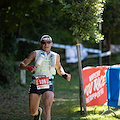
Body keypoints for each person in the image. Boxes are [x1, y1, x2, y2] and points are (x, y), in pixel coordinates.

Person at [19, 35, 71, 120]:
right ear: (40, 44)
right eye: (43, 42)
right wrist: (28, 67)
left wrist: (64, 74)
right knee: (32, 111)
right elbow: (22, 65)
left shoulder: (56, 56)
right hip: (35, 84)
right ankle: (38, 112)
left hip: (48, 84)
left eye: (48, 42)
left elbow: (58, 67)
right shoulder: (35, 53)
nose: (46, 44)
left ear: (51, 44)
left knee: (47, 108)